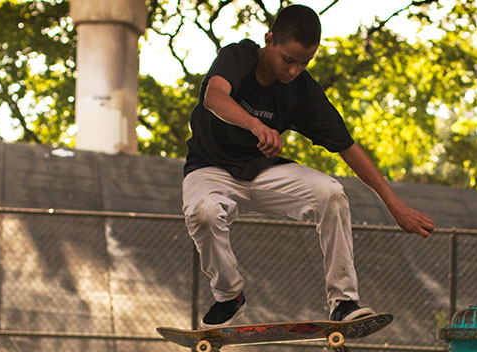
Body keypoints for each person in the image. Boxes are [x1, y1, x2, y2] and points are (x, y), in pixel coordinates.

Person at [182, 4, 434, 329]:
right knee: (204, 214)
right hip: (209, 168)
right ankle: (228, 294)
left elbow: (349, 149)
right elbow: (214, 97)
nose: (293, 71)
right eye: (288, 60)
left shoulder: (302, 92)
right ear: (270, 40)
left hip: (262, 172)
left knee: (330, 193)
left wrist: (396, 207)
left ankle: (344, 302)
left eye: (305, 63)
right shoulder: (239, 57)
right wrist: (255, 125)